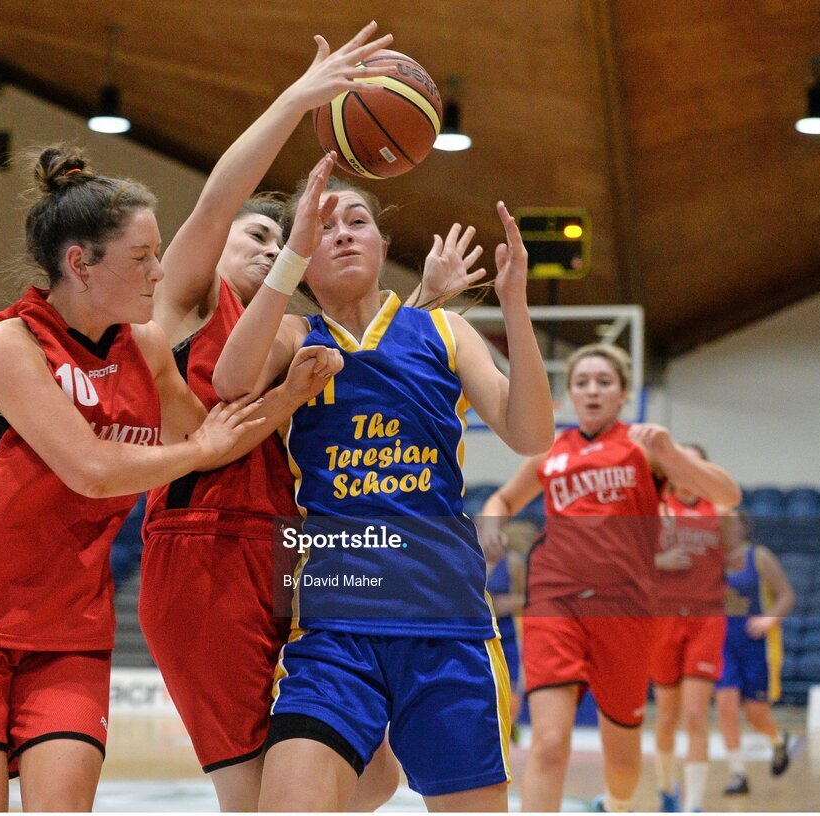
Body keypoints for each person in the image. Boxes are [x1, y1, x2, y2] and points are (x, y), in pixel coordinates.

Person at [0, 146, 334, 812]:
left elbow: (208, 444)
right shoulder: (10, 345)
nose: (159, 271)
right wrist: (199, 448)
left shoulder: (146, 347)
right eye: (141, 257)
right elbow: (94, 470)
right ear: (80, 263)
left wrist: (284, 399)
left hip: (70, 628)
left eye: (158, 253)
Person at [140, 22, 477, 810]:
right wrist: (298, 101)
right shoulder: (188, 302)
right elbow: (221, 195)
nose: (265, 252)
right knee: (258, 793)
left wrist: (426, 304)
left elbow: (379, 370)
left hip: (291, 557)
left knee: (372, 772)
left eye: (274, 241)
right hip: (206, 550)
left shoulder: (286, 334)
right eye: (251, 238)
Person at [215, 155, 555, 810]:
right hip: (333, 623)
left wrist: (514, 306)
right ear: (302, 257)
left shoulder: (444, 331)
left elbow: (531, 435)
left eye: (358, 220)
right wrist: (290, 255)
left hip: (446, 622)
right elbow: (229, 381)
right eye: (322, 227)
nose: (342, 232)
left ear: (383, 243)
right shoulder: (293, 334)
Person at [480, 344, 742, 812]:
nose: (593, 390)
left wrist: (671, 454)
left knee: (621, 757)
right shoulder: (549, 451)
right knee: (549, 742)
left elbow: (726, 492)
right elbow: (502, 499)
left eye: (604, 381)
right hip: (554, 602)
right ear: (568, 396)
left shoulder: (645, 445)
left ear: (623, 393)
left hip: (627, 610)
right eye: (582, 382)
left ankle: (617, 805)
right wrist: (494, 524)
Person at [650, 444, 739, 812]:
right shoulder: (653, 510)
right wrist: (659, 559)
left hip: (705, 620)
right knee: (667, 717)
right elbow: (626, 562)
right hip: (662, 621)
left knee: (695, 715)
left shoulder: (719, 511)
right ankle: (666, 788)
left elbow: (736, 556)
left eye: (691, 462)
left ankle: (694, 806)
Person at [715, 509, 796, 796]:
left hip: (756, 644)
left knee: (755, 714)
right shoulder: (712, 559)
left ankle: (779, 740)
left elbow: (787, 594)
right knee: (725, 705)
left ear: (743, 527)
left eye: (729, 522)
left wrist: (769, 619)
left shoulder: (759, 556)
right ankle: (738, 774)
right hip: (722, 643)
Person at [482, 521, 534, 736]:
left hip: (509, 633)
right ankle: (491, 729)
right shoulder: (475, 560)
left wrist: (504, 603)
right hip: (485, 631)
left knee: (511, 689)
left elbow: (527, 597)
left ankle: (508, 726)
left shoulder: (513, 563)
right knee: (487, 686)